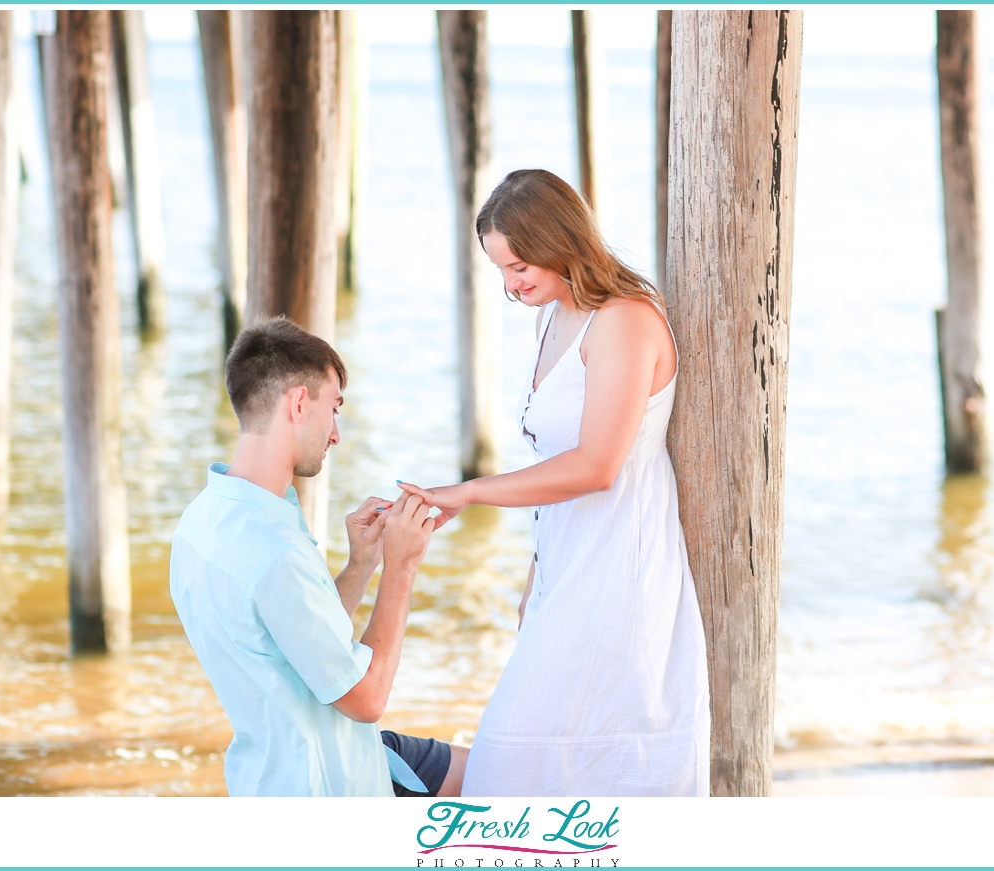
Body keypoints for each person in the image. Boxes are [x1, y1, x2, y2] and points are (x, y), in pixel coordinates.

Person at [398, 169, 710, 796]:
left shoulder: (625, 320)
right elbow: (555, 462)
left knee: (522, 759)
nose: (512, 287)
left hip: (620, 575)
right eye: (502, 272)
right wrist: (536, 579)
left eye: (520, 268)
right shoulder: (554, 315)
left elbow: (597, 465)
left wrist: (468, 491)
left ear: (559, 243)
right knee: (542, 760)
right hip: (568, 569)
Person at [170, 315, 467, 797]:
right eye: (334, 408)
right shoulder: (274, 550)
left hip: (280, 759)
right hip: (327, 783)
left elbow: (297, 638)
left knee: (495, 768)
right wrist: (401, 567)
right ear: (300, 403)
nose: (336, 434)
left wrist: (362, 565)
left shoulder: (204, 518)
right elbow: (366, 699)